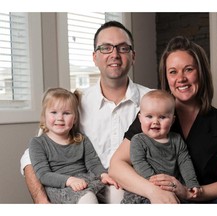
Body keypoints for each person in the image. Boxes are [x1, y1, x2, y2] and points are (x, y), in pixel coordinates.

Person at [109, 36, 217, 204]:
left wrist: (190, 192)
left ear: (201, 72)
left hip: (211, 200)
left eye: (188, 69)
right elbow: (116, 165)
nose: (181, 78)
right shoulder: (152, 117)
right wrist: (154, 192)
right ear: (166, 78)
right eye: (173, 72)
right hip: (167, 200)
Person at [20, 21, 151, 204]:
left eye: (122, 48)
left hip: (133, 191)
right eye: (106, 48)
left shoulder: (153, 103)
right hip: (81, 191)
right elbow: (32, 155)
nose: (114, 54)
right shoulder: (76, 102)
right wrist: (42, 201)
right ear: (95, 57)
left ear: (133, 56)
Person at [29, 87, 118, 204]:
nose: (60, 118)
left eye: (66, 113)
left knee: (117, 190)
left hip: (86, 180)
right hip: (60, 186)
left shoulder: (81, 139)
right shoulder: (38, 143)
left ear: (75, 118)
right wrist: (69, 181)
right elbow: (44, 175)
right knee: (88, 198)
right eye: (54, 112)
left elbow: (93, 164)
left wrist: (103, 175)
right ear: (44, 116)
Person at [121, 89, 201, 204]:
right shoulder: (138, 140)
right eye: (149, 116)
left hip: (172, 188)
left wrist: (192, 183)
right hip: (145, 190)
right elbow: (139, 163)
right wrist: (157, 185)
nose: (155, 122)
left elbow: (185, 162)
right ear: (140, 119)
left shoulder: (177, 140)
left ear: (172, 120)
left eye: (162, 117)